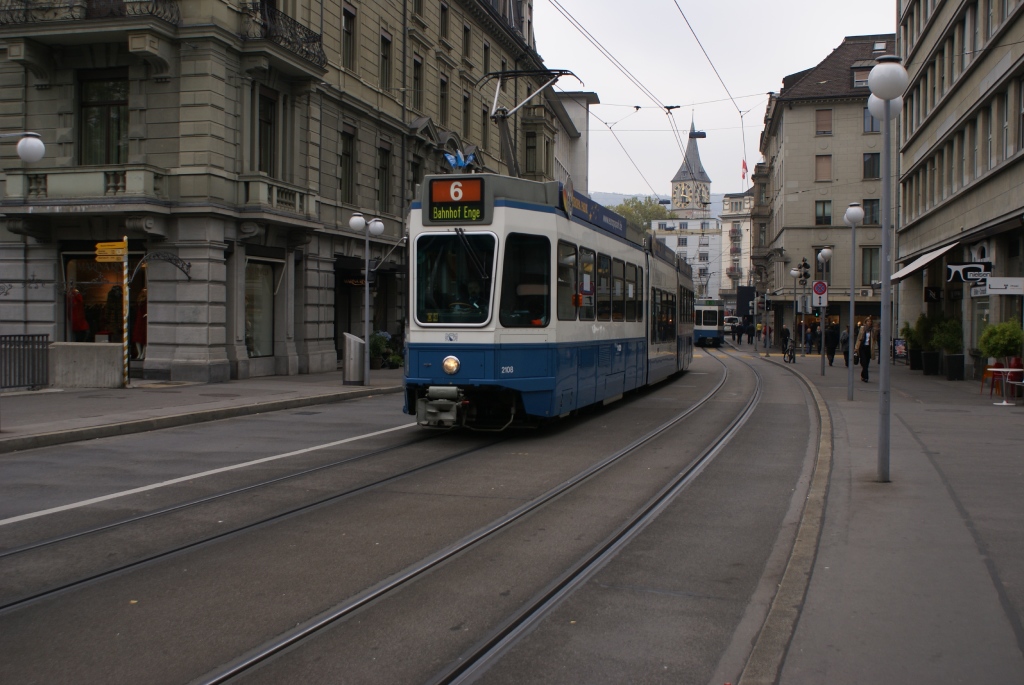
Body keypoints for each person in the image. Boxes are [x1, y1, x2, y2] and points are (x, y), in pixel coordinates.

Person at [854, 316, 876, 382]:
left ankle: (863, 375)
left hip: (868, 348)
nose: (869, 322)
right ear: (865, 322)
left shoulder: (872, 330)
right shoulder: (862, 328)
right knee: (864, 362)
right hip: (862, 347)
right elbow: (859, 338)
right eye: (868, 321)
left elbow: (874, 339)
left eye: (870, 321)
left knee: (867, 363)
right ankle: (866, 377)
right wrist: (856, 347)